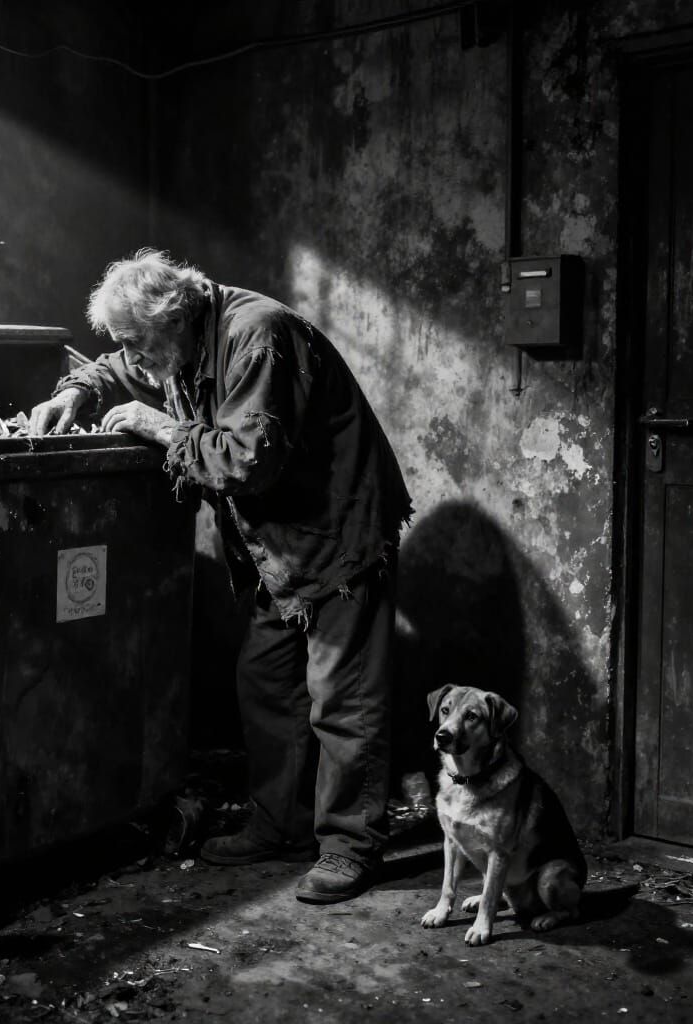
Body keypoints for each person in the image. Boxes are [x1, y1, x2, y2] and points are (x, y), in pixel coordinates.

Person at [29, 250, 412, 904]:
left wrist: (158, 426)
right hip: (278, 551)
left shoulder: (258, 337)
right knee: (266, 680)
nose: (134, 359)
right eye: (127, 345)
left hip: (334, 537)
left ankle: (352, 847)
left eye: (138, 343)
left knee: (342, 701)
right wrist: (74, 393)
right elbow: (115, 366)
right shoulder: (176, 339)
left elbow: (245, 465)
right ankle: (281, 824)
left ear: (175, 317)